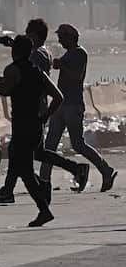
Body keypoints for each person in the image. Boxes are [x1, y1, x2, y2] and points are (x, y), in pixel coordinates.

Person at [0, 34, 59, 227]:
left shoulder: (13, 69)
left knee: (25, 170)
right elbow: (58, 97)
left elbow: (4, 90)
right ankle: (35, 194)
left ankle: (43, 206)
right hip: (35, 126)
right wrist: (45, 116)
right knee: (19, 162)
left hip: (22, 127)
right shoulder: (39, 72)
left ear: (15, 51)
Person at [43, 23, 117, 192]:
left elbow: (76, 75)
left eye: (63, 37)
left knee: (78, 144)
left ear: (71, 37)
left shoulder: (80, 53)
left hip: (72, 105)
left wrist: (62, 65)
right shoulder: (69, 54)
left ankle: (106, 170)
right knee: (49, 145)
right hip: (61, 104)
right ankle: (43, 180)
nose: (60, 40)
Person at [0, 18, 57, 204]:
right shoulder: (37, 62)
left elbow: (7, 89)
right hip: (34, 118)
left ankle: (42, 194)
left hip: (28, 118)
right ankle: (12, 192)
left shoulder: (28, 63)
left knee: (27, 161)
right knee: (22, 159)